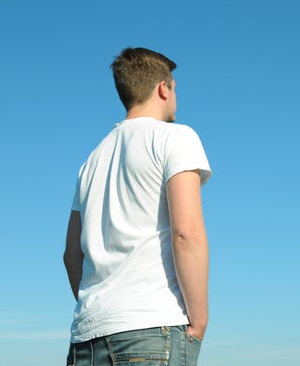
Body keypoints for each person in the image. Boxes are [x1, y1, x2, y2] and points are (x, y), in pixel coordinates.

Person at [63, 47, 212, 365]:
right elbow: (186, 233)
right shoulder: (176, 137)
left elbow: (71, 254)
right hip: (150, 329)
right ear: (164, 87)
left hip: (86, 337)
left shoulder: (91, 161)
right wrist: (198, 322)